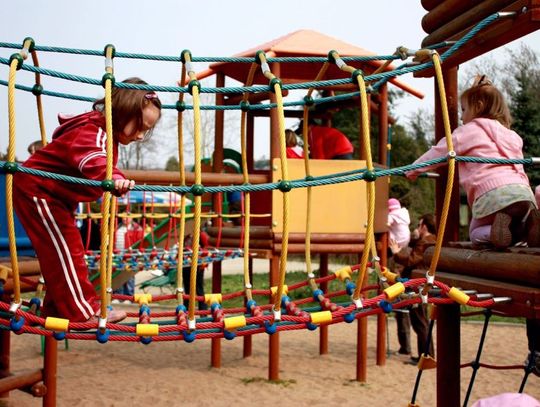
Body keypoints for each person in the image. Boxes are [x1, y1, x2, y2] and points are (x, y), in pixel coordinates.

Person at [13, 77, 161, 324]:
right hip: (39, 191)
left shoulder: (102, 132)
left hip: (53, 195)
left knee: (62, 251)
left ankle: (57, 307)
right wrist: (113, 176)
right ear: (124, 112)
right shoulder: (95, 131)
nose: (140, 135)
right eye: (141, 126)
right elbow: (91, 158)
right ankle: (84, 312)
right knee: (67, 251)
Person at [407, 75, 539, 250]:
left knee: (476, 232)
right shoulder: (512, 135)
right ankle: (530, 226)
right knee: (514, 223)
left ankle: (495, 230)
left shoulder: (467, 131)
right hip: (523, 193)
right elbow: (518, 164)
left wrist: (413, 169)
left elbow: (439, 151)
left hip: (491, 195)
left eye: (463, 110)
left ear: (478, 107)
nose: (461, 117)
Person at [389, 214, 437, 364]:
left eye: (419, 225)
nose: (417, 228)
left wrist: (396, 252)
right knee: (421, 321)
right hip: (422, 283)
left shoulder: (425, 242)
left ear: (424, 227)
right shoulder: (432, 240)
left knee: (420, 321)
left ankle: (427, 356)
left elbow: (411, 260)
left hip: (417, 285)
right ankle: (425, 354)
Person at [112, 218, 143, 304]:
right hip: (118, 255)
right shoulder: (117, 227)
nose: (125, 218)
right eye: (123, 216)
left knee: (129, 276)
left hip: (130, 255)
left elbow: (139, 241)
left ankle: (128, 296)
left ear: (132, 217)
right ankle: (118, 296)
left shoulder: (136, 229)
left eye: (127, 217)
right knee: (118, 275)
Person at [182, 229, 210, 310]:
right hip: (186, 265)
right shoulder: (187, 234)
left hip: (198, 264)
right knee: (187, 289)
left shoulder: (201, 234)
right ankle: (186, 310)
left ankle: (203, 310)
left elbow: (206, 247)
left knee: (199, 288)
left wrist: (199, 252)